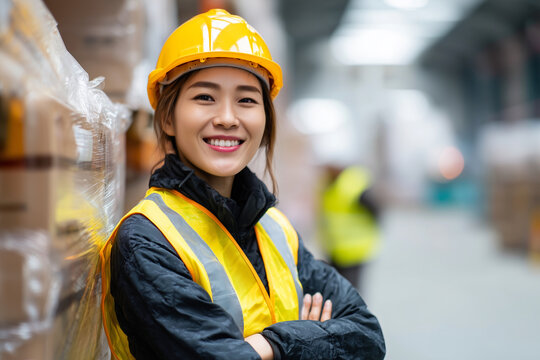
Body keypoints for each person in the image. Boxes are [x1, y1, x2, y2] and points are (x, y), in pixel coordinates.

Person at [100, 9, 385, 360]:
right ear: (168, 118)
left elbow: (368, 336)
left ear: (265, 119)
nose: (227, 118)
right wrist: (310, 337)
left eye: (247, 100)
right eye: (205, 97)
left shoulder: (276, 229)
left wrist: (267, 345)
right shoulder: (146, 241)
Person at [319, 165, 381, 292]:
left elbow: (376, 210)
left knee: (350, 293)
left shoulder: (352, 185)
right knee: (335, 292)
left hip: (354, 251)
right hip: (335, 250)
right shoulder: (329, 183)